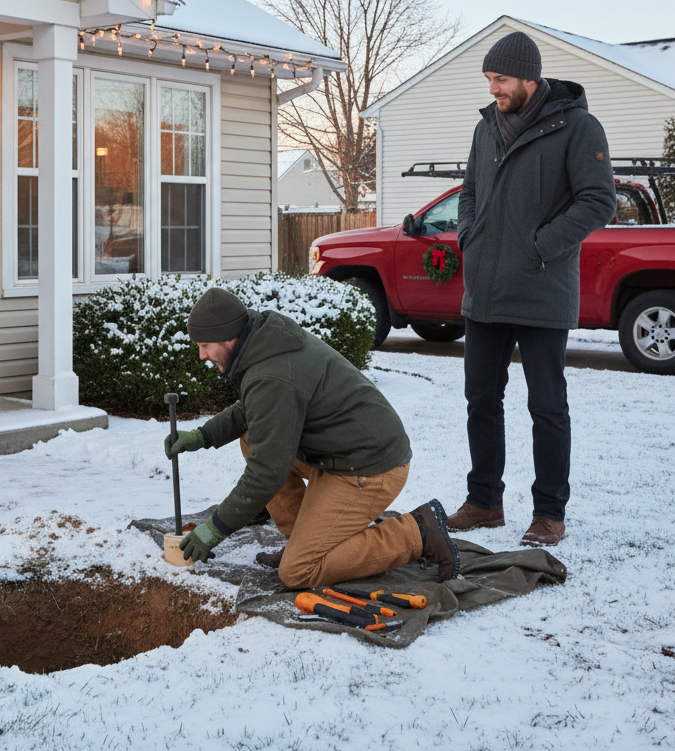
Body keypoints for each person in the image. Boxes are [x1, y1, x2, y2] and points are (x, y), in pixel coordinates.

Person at [164, 287, 460, 587]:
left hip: (371, 466)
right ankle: (302, 542)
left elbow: (266, 472)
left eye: (204, 345)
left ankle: (418, 531)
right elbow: (254, 410)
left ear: (228, 337)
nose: (201, 355)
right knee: (253, 437)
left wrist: (214, 530)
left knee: (297, 571)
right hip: (342, 452)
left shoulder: (271, 372)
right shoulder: (264, 344)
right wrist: (203, 435)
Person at [450, 31, 616, 546]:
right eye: (489, 80)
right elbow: (470, 192)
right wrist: (469, 238)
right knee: (481, 398)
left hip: (542, 288)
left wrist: (539, 246)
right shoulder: (485, 129)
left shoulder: (578, 126)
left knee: (546, 405)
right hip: (486, 290)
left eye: (500, 79)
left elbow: (598, 201)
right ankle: (484, 502)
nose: (493, 89)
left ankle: (549, 512)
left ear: (529, 77)